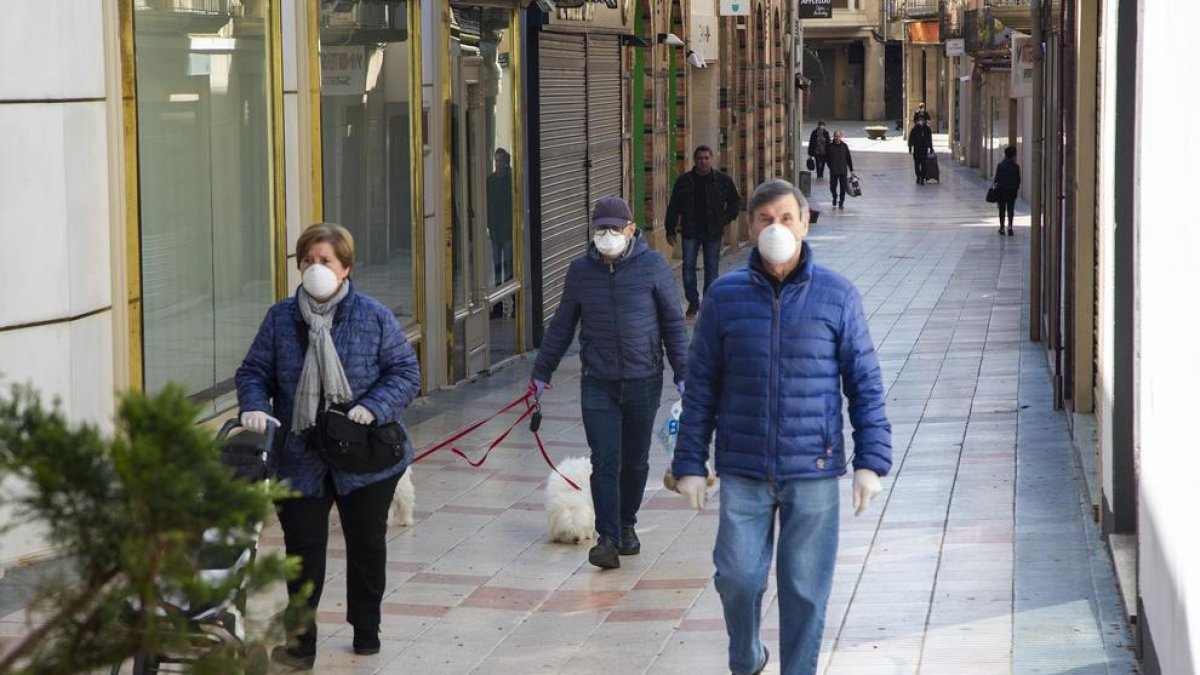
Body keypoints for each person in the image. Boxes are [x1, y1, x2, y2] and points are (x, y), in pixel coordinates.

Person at [672, 179, 892, 675]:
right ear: (750, 227)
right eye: (766, 219)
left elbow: (865, 381)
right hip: (745, 469)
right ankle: (747, 656)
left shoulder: (837, 296)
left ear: (805, 222)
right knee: (737, 577)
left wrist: (870, 462)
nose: (777, 228)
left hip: (812, 469)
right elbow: (700, 385)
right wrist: (689, 461)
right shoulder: (724, 297)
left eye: (786, 218)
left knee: (804, 591)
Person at [236, 223, 421, 670]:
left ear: (346, 269)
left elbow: (405, 373)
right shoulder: (281, 318)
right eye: (309, 261)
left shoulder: (373, 316)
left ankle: (366, 631)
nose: (316, 268)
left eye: (326, 261)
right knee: (302, 555)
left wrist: (372, 408)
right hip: (301, 458)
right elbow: (253, 372)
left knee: (366, 547)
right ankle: (300, 643)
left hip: (364, 456)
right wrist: (255, 406)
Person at [531, 196, 688, 570]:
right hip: (597, 381)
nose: (607, 235)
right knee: (605, 460)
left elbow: (673, 325)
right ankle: (608, 538)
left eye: (614, 228)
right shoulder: (580, 271)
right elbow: (562, 325)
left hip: (643, 379)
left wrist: (685, 376)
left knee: (634, 462)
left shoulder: (653, 267)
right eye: (600, 229)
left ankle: (627, 524)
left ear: (630, 229)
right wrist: (541, 373)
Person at [665, 145, 742, 318]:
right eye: (700, 158)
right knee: (688, 270)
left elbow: (735, 202)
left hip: (713, 231)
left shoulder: (722, 180)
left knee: (712, 270)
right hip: (690, 231)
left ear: (711, 159)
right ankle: (693, 302)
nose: (703, 162)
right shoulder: (684, 181)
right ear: (694, 160)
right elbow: (674, 206)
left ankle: (708, 303)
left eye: (706, 158)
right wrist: (670, 229)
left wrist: (725, 219)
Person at [487, 148, 514, 286]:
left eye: (500, 161)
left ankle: (509, 289)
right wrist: (489, 225)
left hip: (507, 229)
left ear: (505, 162)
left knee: (508, 263)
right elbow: (487, 205)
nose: (498, 164)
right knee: (497, 263)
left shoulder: (510, 180)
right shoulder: (490, 181)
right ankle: (498, 290)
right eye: (496, 161)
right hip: (495, 230)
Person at [994, 145, 1021, 236]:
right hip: (1011, 191)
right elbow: (1018, 180)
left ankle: (1002, 227)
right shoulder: (1016, 167)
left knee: (1002, 209)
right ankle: (1010, 226)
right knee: (1010, 209)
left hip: (1001, 190)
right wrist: (1016, 189)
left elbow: (996, 179)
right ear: (1013, 156)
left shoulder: (1000, 166)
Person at [826, 130, 854, 210]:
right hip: (834, 170)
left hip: (843, 170)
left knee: (843, 187)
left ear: (841, 137)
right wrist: (830, 166)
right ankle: (834, 197)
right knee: (832, 186)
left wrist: (851, 170)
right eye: (836, 136)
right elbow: (827, 158)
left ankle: (841, 202)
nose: (837, 138)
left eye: (838, 136)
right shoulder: (830, 146)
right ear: (833, 136)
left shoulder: (844, 146)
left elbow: (848, 158)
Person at [908, 117, 934, 185]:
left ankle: (922, 178)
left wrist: (931, 148)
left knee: (923, 164)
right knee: (916, 164)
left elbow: (930, 139)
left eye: (922, 121)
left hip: (924, 149)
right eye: (920, 121)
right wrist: (910, 148)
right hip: (916, 149)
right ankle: (918, 176)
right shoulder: (914, 129)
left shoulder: (927, 129)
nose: (921, 122)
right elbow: (910, 139)